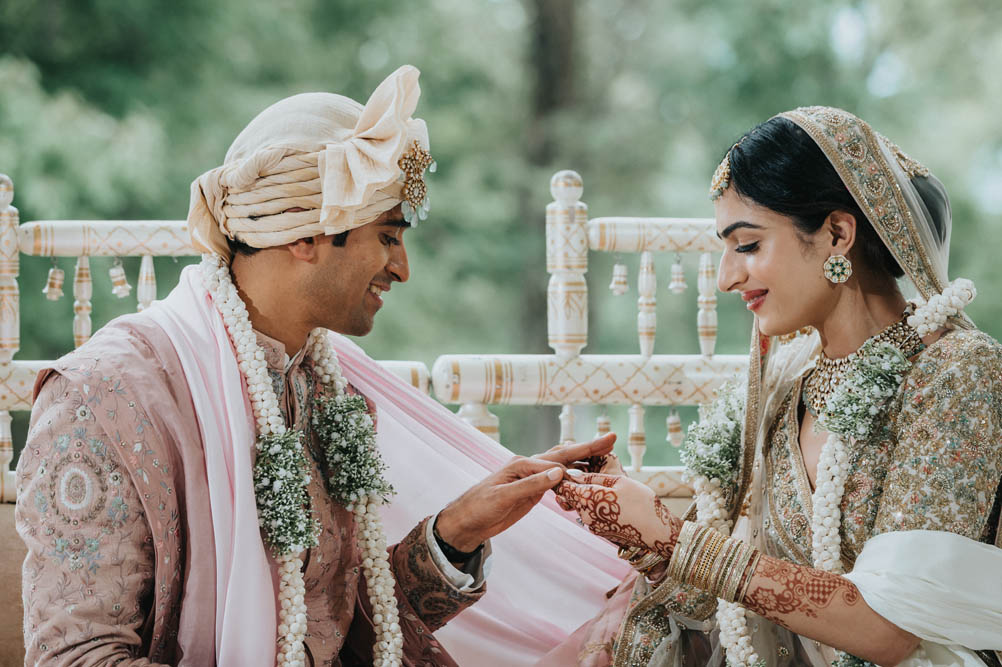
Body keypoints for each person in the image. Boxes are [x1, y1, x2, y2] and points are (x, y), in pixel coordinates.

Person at [15, 65, 623, 666]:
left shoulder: (324, 384)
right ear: (307, 235)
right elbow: (78, 658)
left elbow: (344, 633)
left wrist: (458, 530)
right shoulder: (105, 399)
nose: (403, 268)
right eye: (387, 236)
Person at [550, 106, 1002, 666]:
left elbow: (891, 629)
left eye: (746, 245)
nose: (725, 277)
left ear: (837, 233)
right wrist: (639, 532)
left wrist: (673, 537)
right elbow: (729, 591)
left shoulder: (957, 371)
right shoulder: (789, 379)